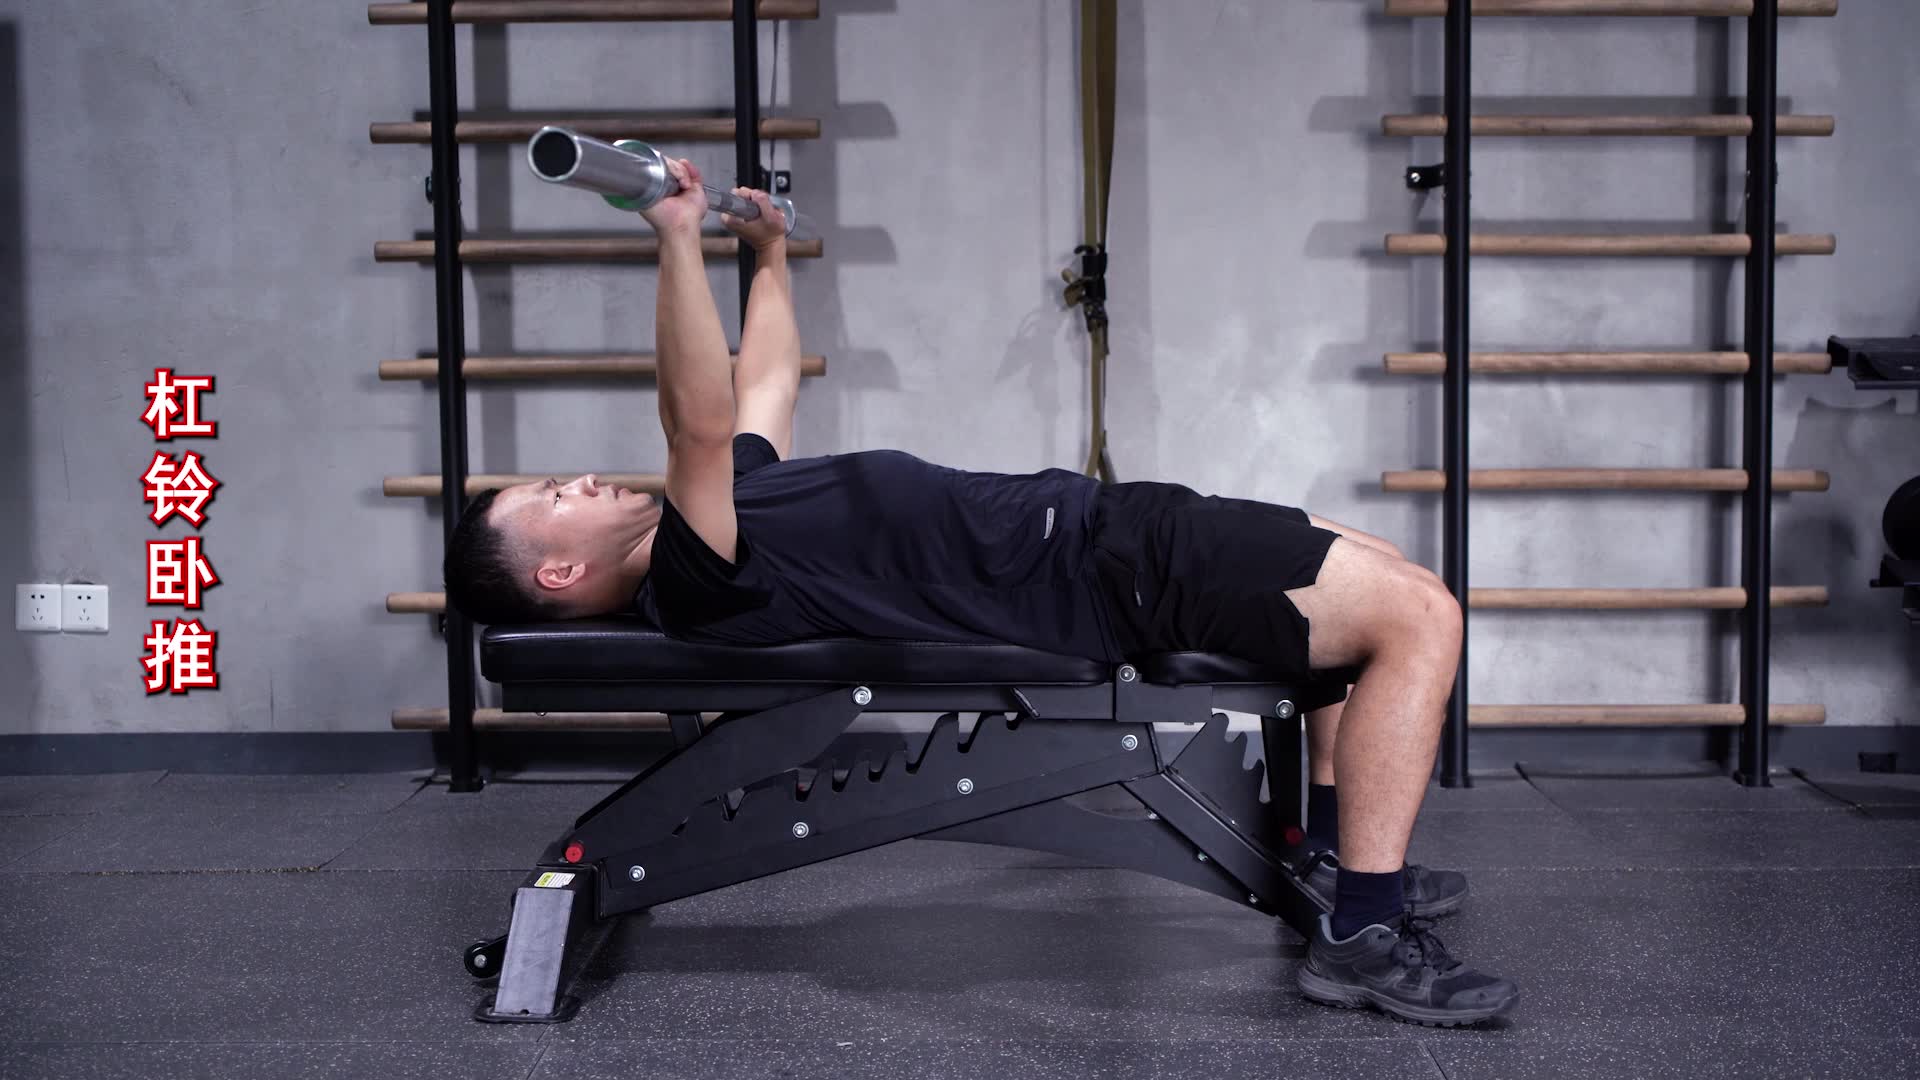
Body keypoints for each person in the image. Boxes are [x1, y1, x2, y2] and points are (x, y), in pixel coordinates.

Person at [443, 157, 1519, 1028]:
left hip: (1104, 531)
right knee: (1419, 618)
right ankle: (1362, 932)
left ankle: (1329, 856)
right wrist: (676, 238)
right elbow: (698, 420)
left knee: (1384, 572)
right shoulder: (694, 577)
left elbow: (761, 384)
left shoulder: (736, 503)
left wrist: (765, 253)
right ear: (559, 572)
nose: (581, 479)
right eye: (554, 496)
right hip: (1103, 577)